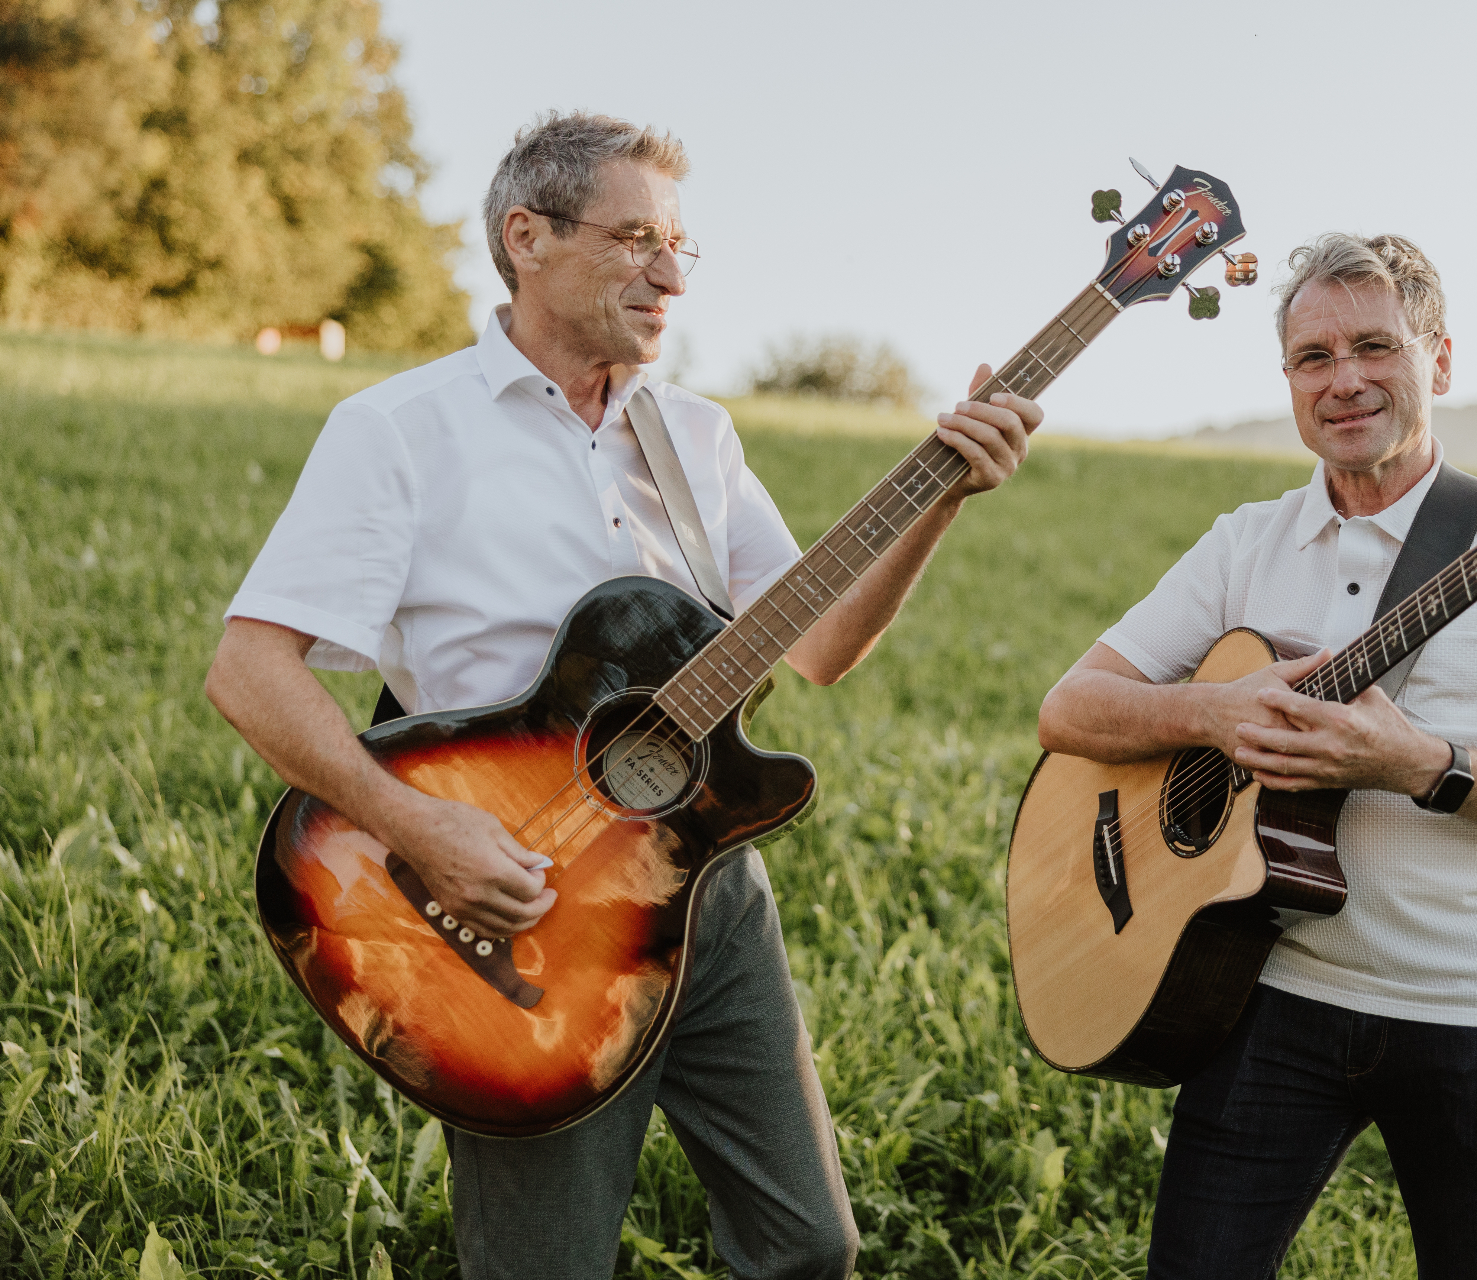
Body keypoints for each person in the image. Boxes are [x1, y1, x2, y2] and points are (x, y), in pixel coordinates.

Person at [204, 112, 1042, 1280]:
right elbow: (247, 672)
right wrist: (422, 828)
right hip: (503, 901)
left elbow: (821, 645)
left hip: (705, 885)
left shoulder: (694, 436)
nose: (670, 275)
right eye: (639, 238)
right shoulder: (399, 429)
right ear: (527, 237)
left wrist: (943, 493)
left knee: (809, 1243)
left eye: (682, 248)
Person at [1035, 233, 1477, 1278]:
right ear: (1290, 382)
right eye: (1314, 357)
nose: (1345, 379)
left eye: (1375, 347)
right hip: (1270, 992)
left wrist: (1421, 762)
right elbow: (1072, 706)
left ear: (1437, 361)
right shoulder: (1246, 541)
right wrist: (1214, 717)